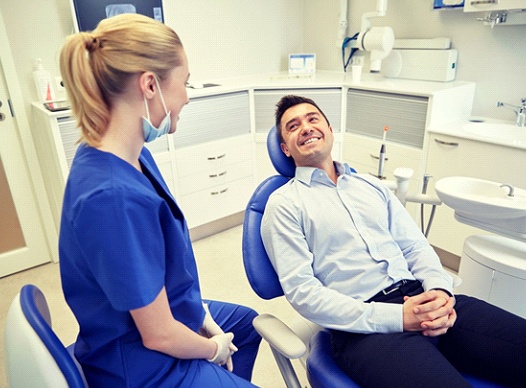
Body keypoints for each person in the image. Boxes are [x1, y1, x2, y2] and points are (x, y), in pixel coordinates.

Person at [261, 94, 526, 387]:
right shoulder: (284, 205)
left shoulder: (371, 186)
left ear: (330, 129)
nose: (306, 128)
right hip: (364, 327)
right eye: (293, 126)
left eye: (313, 119)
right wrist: (398, 317)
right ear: (285, 148)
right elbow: (303, 293)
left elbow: (415, 245)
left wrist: (439, 291)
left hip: (423, 296)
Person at [58, 14, 261, 387]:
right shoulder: (112, 198)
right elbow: (159, 335)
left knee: (246, 326)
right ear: (150, 85)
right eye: (183, 82)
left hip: (163, 317)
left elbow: (162, 267)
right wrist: (211, 349)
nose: (186, 96)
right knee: (226, 347)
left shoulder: (128, 155)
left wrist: (200, 314)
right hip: (141, 364)